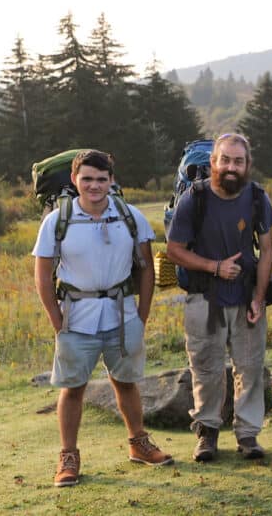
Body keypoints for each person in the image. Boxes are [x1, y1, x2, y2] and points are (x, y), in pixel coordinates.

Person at [33, 150, 170, 487]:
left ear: (111, 180)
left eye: (101, 179)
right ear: (75, 180)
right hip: (76, 318)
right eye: (87, 179)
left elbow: (147, 269)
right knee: (73, 387)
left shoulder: (129, 215)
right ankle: (68, 457)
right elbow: (42, 275)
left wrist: (142, 314)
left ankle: (139, 444)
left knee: (126, 382)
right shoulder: (57, 221)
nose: (94, 186)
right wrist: (56, 320)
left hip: (122, 314)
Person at [165, 133, 272, 461]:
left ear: (247, 164)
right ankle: (207, 433)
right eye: (225, 160)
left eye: (238, 161)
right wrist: (214, 267)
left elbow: (268, 249)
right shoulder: (194, 199)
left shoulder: (257, 197)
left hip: (246, 299)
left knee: (251, 368)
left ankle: (248, 436)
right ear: (214, 162)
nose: (231, 167)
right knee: (206, 368)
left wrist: (259, 296)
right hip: (204, 298)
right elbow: (174, 250)